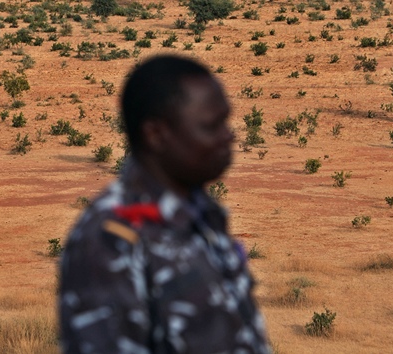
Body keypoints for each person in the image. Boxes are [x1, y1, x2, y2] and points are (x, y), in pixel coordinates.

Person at [58, 55, 269, 354]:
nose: (228, 135)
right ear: (156, 135)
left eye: (226, 120)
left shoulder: (199, 213)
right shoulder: (110, 240)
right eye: (211, 126)